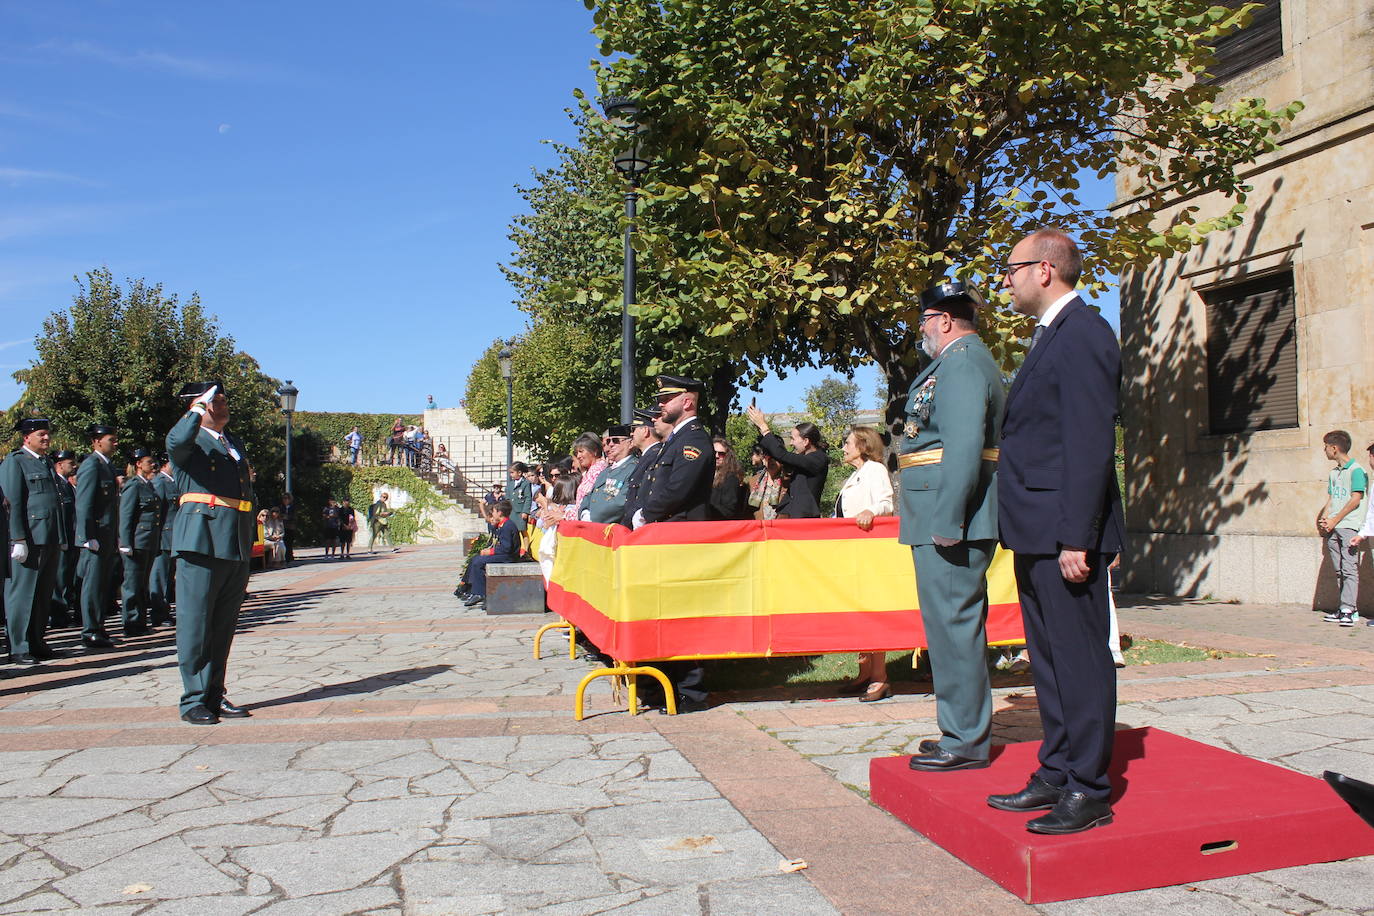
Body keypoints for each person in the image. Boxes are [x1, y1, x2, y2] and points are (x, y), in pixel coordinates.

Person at [988, 229, 1125, 835]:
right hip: (1037, 528)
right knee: (1046, 660)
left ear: (1045, 270)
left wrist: (1079, 536)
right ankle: (1059, 767)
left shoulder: (1085, 334)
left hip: (1065, 532)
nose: (1004, 280)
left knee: (1078, 659)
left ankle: (1090, 786)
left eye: (1010, 268)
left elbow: (1090, 443)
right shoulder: (1051, 337)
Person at [893, 280, 1006, 758]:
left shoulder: (960, 363)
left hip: (948, 513)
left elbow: (962, 447)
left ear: (943, 320)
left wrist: (949, 519)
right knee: (947, 625)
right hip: (941, 508)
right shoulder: (957, 362)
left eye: (923, 322)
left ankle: (964, 740)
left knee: (953, 625)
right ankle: (959, 731)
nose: (921, 332)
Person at [166, 380, 257, 726]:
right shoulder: (188, 440)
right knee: (195, 623)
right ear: (198, 406)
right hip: (200, 540)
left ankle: (214, 694)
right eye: (215, 401)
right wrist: (197, 408)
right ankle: (193, 699)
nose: (223, 405)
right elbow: (175, 442)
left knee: (222, 624)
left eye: (221, 398)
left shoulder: (231, 442)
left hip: (232, 540)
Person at [834, 425, 896, 702]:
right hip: (851, 555)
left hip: (868, 553)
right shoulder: (856, 475)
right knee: (858, 612)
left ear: (863, 444)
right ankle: (864, 673)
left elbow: (886, 502)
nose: (844, 447)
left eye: (848, 442)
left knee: (872, 611)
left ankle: (880, 677)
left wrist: (871, 510)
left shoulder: (875, 470)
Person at [1, 416, 69, 665]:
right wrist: (17, 537)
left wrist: (60, 535)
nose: (47, 438)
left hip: (49, 536)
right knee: (23, 593)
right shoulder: (15, 461)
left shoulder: (46, 462)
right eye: (41, 434)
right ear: (26, 437)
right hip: (29, 537)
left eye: (47, 434)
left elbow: (55, 503)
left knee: (42, 593)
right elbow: (13, 502)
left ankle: (37, 642)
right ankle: (18, 646)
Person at [635, 377, 714, 527]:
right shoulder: (677, 438)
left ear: (687, 402)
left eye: (666, 399)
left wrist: (645, 514)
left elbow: (679, 488)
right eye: (660, 399)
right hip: (667, 528)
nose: (660, 404)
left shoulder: (694, 439)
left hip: (682, 530)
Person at [74, 423, 121, 650]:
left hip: (106, 535)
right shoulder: (91, 465)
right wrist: (86, 535)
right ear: (96, 441)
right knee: (92, 585)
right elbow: (83, 503)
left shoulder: (107, 466)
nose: (115, 443)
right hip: (95, 536)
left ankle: (99, 626)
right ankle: (90, 631)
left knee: (102, 584)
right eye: (111, 439)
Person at [1316, 430, 1367, 627]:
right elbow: (1332, 498)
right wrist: (1325, 517)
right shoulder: (1333, 473)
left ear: (1334, 448)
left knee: (1349, 568)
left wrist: (1336, 519)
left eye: (1326, 446)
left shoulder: (1356, 471)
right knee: (1338, 569)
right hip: (1334, 526)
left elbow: (1356, 499)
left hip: (1349, 526)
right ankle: (1343, 608)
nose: (1324, 450)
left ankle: (1349, 609)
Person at [744, 404, 830, 510]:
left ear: (806, 441)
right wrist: (761, 429)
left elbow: (782, 455)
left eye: (793, 439)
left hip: (804, 520)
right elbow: (781, 455)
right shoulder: (806, 459)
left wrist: (764, 427)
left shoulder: (818, 459)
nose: (791, 443)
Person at [117, 448, 164, 636]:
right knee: (132, 585)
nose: (153, 465)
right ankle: (131, 623)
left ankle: (140, 621)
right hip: (136, 542)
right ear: (138, 464)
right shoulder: (133, 485)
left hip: (148, 541)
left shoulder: (148, 485)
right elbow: (126, 516)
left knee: (142, 584)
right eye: (149, 462)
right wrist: (125, 542)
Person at [461, 499, 520, 608]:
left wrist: (490, 552)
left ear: (499, 513)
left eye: (493, 511)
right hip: (504, 554)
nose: (492, 514)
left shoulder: (507, 525)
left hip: (509, 557)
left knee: (478, 562)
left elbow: (506, 548)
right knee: (475, 559)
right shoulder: (503, 524)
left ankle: (480, 593)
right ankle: (467, 586)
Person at [580, 426, 639, 524]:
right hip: (594, 526)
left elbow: (621, 502)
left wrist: (593, 517)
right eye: (608, 442)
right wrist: (584, 512)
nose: (610, 444)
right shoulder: (606, 471)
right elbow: (589, 495)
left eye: (615, 441)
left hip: (614, 527)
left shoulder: (633, 468)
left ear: (630, 443)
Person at [619, 406, 665, 527]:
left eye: (634, 429)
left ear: (645, 431)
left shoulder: (655, 456)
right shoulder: (646, 457)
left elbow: (645, 495)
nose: (631, 433)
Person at [49, 449, 80, 628]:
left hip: (71, 537)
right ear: (60, 465)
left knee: (68, 578)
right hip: (62, 539)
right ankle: (58, 616)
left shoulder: (67, 485)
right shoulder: (56, 484)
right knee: (59, 580)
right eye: (71, 463)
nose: (74, 466)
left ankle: (64, 612)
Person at [149, 455, 178, 626]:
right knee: (159, 578)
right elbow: (157, 512)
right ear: (167, 464)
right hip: (163, 536)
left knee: (168, 577)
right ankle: (159, 613)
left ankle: (165, 610)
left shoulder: (172, 481)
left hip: (173, 536)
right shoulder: (160, 482)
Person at [569, 433, 608, 520]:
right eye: (577, 453)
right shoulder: (591, 471)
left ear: (594, 451)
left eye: (581, 451)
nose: (578, 456)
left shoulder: (598, 471)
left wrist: (564, 516)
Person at [709, 438, 749, 521]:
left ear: (728, 456)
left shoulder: (731, 478)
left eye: (721, 454)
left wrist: (706, 506)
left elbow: (729, 511)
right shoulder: (706, 475)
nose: (716, 456)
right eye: (714, 452)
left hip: (720, 525)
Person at [508, 462, 533, 530]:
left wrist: (525, 511)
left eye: (512, 472)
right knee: (512, 531)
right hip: (511, 512)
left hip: (520, 512)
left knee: (522, 531)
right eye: (510, 473)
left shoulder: (525, 483)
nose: (511, 475)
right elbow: (507, 498)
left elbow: (528, 498)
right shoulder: (510, 484)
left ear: (519, 473)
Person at [277, 492, 297, 563]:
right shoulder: (280, 507)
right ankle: (285, 557)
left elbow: (294, 516)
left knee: (289, 543)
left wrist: (287, 517)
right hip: (282, 527)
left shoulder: (293, 507)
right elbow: (278, 515)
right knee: (284, 542)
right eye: (284, 498)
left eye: (286, 498)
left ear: (290, 499)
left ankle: (289, 557)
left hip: (290, 527)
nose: (285, 500)